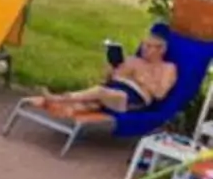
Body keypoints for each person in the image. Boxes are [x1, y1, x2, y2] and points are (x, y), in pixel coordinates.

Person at [26, 28, 184, 126]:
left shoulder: (168, 68)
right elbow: (109, 80)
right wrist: (112, 67)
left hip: (135, 99)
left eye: (149, 47)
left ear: (161, 50)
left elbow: (160, 94)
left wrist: (142, 77)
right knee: (95, 99)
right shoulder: (133, 60)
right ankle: (57, 105)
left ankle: (58, 98)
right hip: (114, 91)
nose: (144, 49)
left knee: (101, 93)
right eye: (144, 45)